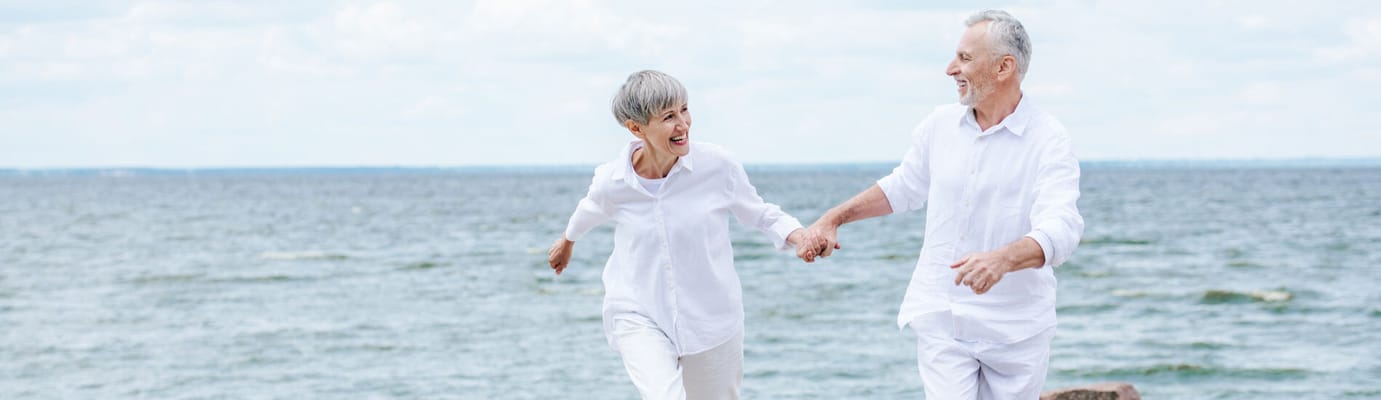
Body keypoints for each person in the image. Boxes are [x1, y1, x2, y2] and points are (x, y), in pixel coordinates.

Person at [798, 10, 1085, 400]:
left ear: (1005, 67)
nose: (951, 69)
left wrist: (1002, 259)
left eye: (965, 58)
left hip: (1017, 330)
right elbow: (904, 187)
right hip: (942, 314)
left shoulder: (1049, 139)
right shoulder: (939, 125)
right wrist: (834, 218)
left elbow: (1062, 227)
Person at [548, 70, 821, 400]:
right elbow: (590, 208)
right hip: (639, 313)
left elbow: (760, 213)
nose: (683, 124)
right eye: (668, 117)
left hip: (712, 319)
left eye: (684, 110)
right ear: (636, 128)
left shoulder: (717, 166)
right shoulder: (614, 180)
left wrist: (799, 236)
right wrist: (567, 241)